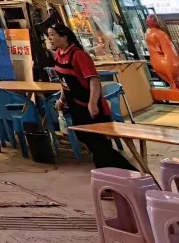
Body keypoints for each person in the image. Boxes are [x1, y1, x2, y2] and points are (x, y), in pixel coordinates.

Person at [46, 22, 136, 170]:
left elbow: (94, 80)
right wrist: (61, 100)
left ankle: (128, 173)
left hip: (90, 107)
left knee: (100, 144)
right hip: (74, 105)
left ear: (64, 37)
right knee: (84, 137)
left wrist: (92, 104)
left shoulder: (79, 55)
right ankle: (112, 173)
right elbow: (65, 82)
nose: (49, 38)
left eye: (52, 35)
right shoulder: (58, 55)